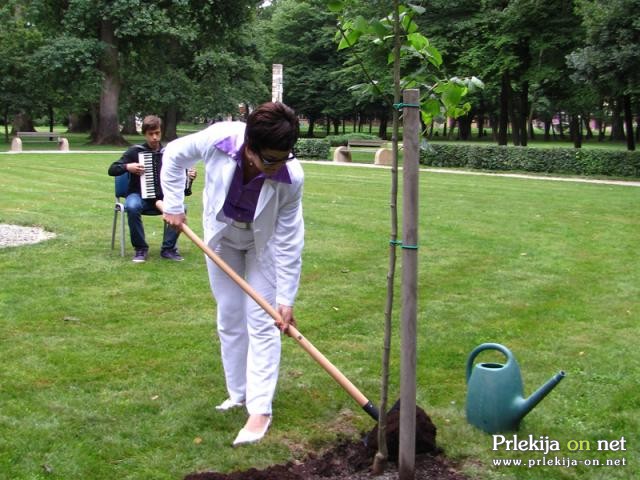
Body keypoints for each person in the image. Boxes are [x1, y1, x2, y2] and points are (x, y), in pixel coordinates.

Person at [160, 102, 303, 446]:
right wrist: (176, 206)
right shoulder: (220, 139)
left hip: (261, 246)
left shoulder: (290, 177)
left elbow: (289, 239)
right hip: (221, 239)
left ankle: (260, 409)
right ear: (249, 147)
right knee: (229, 315)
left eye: (283, 157)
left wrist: (286, 298)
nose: (276, 167)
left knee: (264, 320)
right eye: (269, 159)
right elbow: (175, 154)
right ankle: (238, 393)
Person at [108, 115, 197, 263]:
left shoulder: (170, 153)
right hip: (138, 195)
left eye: (157, 133)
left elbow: (184, 191)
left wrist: (189, 178)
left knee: (181, 207)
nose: (155, 137)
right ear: (145, 134)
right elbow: (112, 169)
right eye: (151, 134)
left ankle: (168, 249)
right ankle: (140, 249)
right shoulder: (135, 152)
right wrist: (128, 167)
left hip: (162, 198)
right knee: (131, 206)